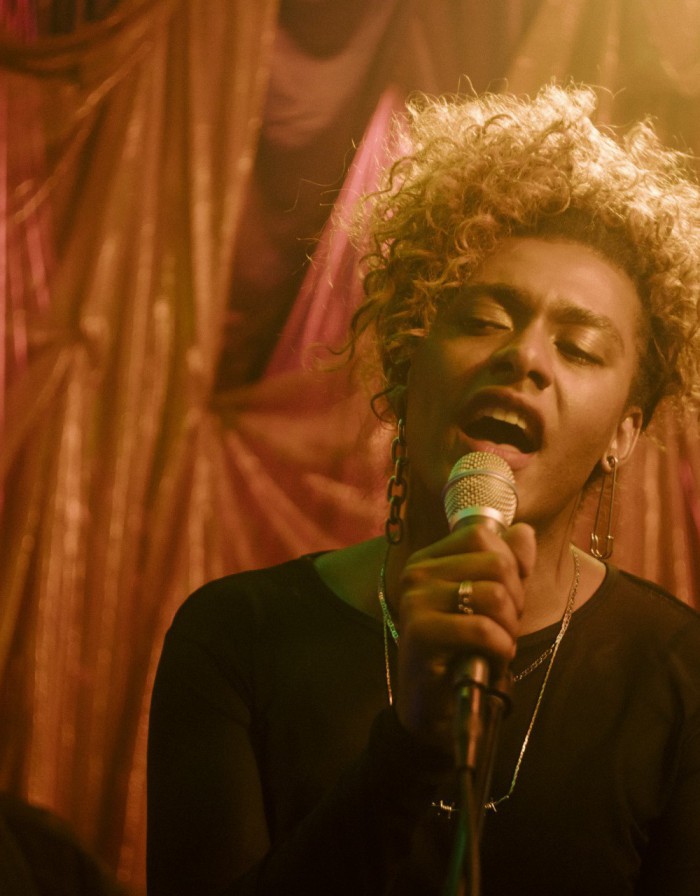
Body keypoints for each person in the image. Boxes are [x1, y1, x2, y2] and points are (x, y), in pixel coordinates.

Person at [146, 84, 700, 896]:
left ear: (624, 432)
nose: (525, 358)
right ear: (409, 369)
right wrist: (408, 749)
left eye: (579, 348)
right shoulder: (237, 637)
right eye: (483, 320)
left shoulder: (679, 676)